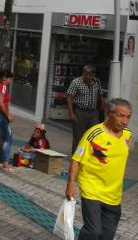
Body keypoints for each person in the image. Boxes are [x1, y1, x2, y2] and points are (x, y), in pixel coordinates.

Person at [66, 99, 132, 240]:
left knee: (107, 236)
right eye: (121, 116)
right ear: (109, 113)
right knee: (93, 231)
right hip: (92, 189)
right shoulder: (94, 134)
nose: (125, 121)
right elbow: (76, 159)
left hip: (114, 195)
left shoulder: (127, 135)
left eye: (128, 117)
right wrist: (70, 184)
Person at [67, 65, 107, 154]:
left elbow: (100, 95)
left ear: (93, 75)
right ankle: (77, 155)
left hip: (93, 112)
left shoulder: (97, 82)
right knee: (79, 136)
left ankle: (89, 154)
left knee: (94, 134)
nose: (87, 76)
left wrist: (103, 107)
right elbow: (69, 97)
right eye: (85, 74)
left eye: (89, 75)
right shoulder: (76, 82)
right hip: (80, 112)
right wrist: (71, 113)